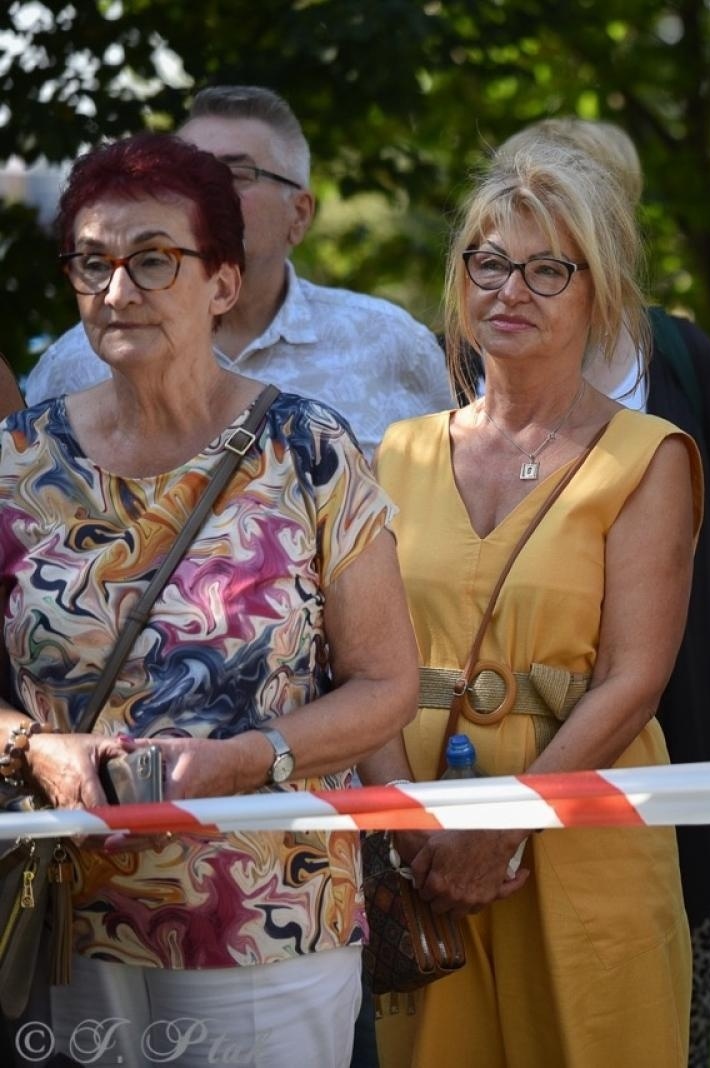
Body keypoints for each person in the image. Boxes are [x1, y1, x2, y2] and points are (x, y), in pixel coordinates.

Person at [0, 132, 418, 1066]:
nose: (118, 291)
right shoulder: (14, 466)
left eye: (154, 260)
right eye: (94, 262)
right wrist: (33, 743)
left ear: (222, 283)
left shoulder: (307, 451)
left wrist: (247, 759)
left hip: (268, 909)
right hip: (63, 912)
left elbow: (386, 683)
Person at [361, 139, 699, 1068]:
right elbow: (366, 661)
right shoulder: (400, 451)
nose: (511, 290)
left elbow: (635, 680)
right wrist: (408, 825)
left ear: (602, 293)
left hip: (582, 815)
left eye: (549, 269)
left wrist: (504, 824)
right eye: (491, 263)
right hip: (419, 833)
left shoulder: (649, 455)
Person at [497, 116, 710, 1068]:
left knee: (666, 1004)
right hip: (492, 735)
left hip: (686, 720)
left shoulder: (685, 357)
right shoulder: (474, 351)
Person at [25, 85, 453, 454]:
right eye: (186, 176)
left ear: (299, 214)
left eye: (235, 173)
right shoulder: (76, 362)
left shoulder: (391, 344)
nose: (207, 196)